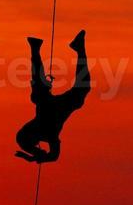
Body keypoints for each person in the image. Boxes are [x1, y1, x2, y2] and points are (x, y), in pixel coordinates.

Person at [15, 30, 91, 164]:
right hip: (56, 107)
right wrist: (35, 156)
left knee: (41, 91)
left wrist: (35, 157)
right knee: (77, 91)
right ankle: (37, 48)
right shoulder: (49, 135)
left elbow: (52, 155)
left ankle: (36, 48)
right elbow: (53, 156)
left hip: (51, 106)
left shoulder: (48, 134)